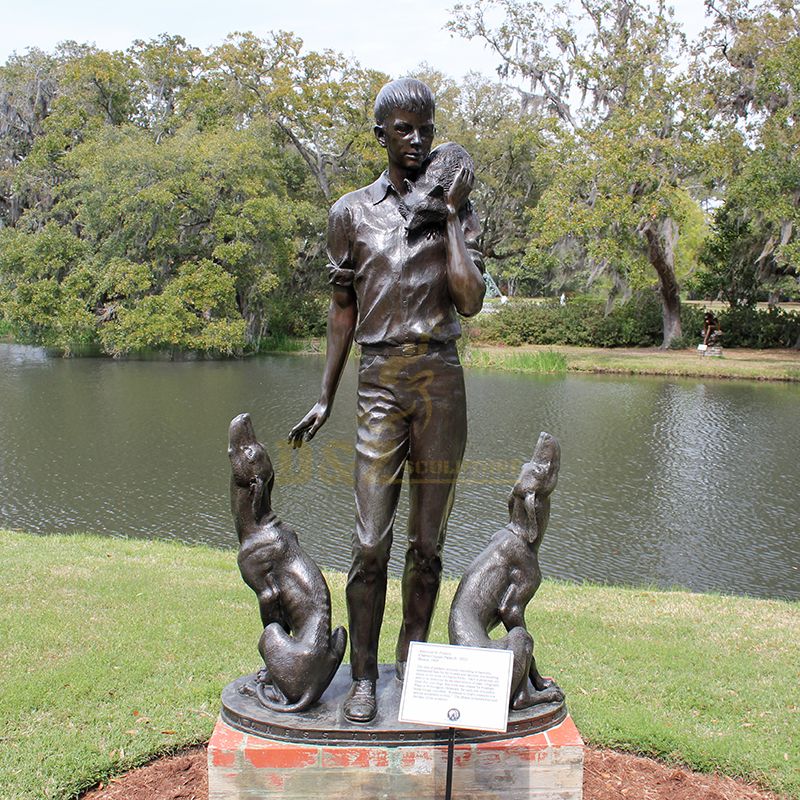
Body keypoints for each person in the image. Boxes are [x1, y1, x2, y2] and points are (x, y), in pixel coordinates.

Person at [288, 78, 485, 723]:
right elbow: (342, 312)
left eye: (427, 128)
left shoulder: (452, 203)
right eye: (405, 129)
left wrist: (451, 217)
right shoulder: (351, 213)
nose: (419, 141)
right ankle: (366, 675)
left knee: (428, 544)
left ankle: (417, 667)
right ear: (381, 133)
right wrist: (325, 396)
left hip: (440, 382)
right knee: (371, 542)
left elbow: (470, 298)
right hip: (378, 384)